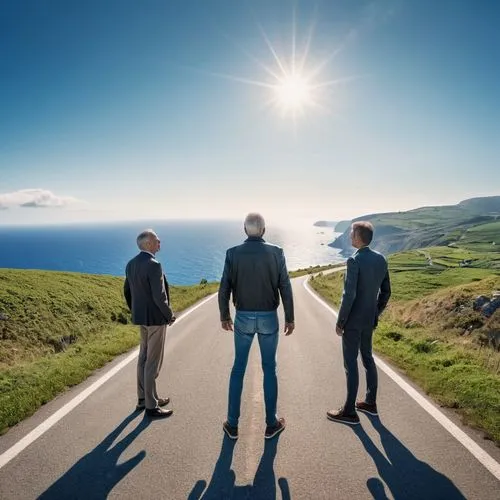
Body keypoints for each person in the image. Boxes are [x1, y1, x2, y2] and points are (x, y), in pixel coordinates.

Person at [218, 213, 295, 440]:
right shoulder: (277, 252)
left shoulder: (232, 253)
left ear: (245, 229)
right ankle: (271, 424)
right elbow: (286, 287)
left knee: (238, 368)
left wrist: (224, 316)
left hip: (242, 317)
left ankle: (232, 424)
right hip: (269, 317)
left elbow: (224, 289)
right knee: (269, 368)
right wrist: (290, 318)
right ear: (263, 230)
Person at [327, 221, 391, 425]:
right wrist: (375, 312)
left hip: (353, 322)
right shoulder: (381, 259)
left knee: (350, 364)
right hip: (369, 320)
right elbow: (386, 292)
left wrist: (340, 321)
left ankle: (349, 411)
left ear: (357, 237)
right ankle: (370, 403)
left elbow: (349, 295)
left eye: (351, 234)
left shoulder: (354, 261)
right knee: (367, 358)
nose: (349, 237)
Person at [124, 229, 176, 418]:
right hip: (155, 319)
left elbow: (127, 292)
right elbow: (159, 297)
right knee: (152, 362)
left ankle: (143, 399)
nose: (159, 242)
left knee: (143, 358)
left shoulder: (131, 264)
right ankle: (151, 406)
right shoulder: (154, 265)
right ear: (147, 244)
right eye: (156, 240)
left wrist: (136, 311)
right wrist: (169, 315)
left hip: (142, 318)